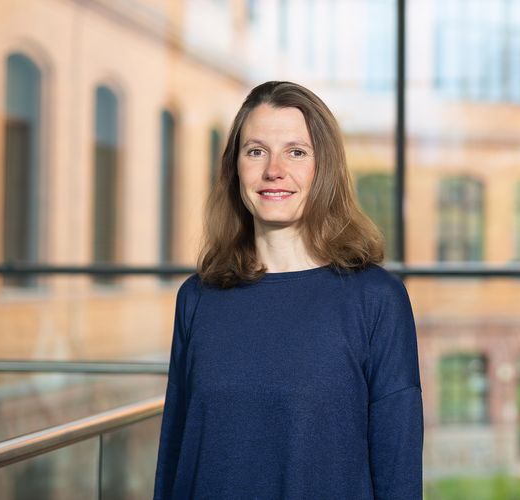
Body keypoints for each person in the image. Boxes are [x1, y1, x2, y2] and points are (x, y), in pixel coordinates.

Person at [153, 81, 423, 499]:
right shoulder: (198, 298)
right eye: (256, 151)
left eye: (296, 152)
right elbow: (174, 456)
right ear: (235, 168)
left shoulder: (376, 299)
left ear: (324, 169)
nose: (273, 170)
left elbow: (398, 467)